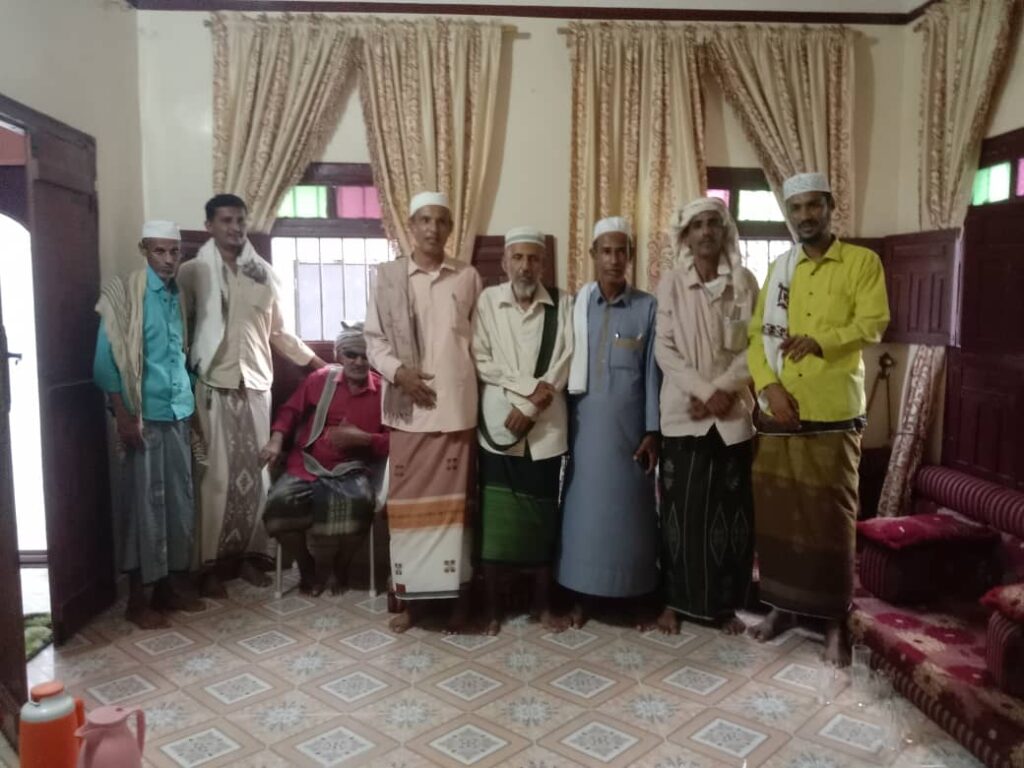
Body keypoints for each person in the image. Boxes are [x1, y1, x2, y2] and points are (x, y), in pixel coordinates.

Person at [747, 172, 890, 665]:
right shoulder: (780, 269)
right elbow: (756, 337)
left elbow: (873, 323)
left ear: (830, 206)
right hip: (779, 413)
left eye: (813, 205)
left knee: (831, 520)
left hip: (832, 415)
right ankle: (782, 608)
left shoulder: (861, 263)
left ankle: (833, 622)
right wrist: (769, 387)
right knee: (779, 516)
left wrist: (821, 341)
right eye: (796, 208)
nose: (805, 216)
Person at [178, 194, 327, 596]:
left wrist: (318, 364)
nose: (235, 228)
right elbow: (181, 332)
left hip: (256, 386)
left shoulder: (265, 275)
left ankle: (249, 557)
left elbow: (279, 332)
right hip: (213, 385)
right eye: (226, 220)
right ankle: (209, 566)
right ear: (209, 226)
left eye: (240, 220)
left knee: (258, 476)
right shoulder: (193, 274)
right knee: (215, 479)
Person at [365, 191, 483, 634]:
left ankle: (458, 604)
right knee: (409, 515)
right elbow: (373, 340)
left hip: (455, 412)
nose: (433, 228)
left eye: (441, 221)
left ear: (450, 228)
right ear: (411, 226)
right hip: (408, 414)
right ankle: (413, 604)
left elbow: (479, 342)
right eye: (425, 220)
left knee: (456, 516)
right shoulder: (389, 278)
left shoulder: (467, 276)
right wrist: (400, 374)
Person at [654, 197, 759, 636]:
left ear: (725, 231)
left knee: (729, 518)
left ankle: (724, 607)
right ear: (685, 235)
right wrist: (703, 392)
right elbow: (665, 349)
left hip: (731, 418)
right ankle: (673, 603)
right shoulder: (671, 284)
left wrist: (723, 392)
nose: (705, 233)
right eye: (696, 225)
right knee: (679, 515)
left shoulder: (744, 283)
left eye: (713, 224)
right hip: (684, 414)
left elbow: (756, 345)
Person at [94, 220, 203, 628]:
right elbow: (105, 362)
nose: (169, 259)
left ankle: (167, 589)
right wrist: (123, 415)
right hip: (143, 417)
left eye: (175, 252)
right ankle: (137, 600)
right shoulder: (126, 295)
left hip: (177, 414)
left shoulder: (176, 296)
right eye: (160, 251)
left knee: (178, 505)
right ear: (144, 250)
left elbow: (180, 356)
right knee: (144, 507)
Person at [557, 216, 661, 629]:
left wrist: (652, 430)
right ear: (593, 255)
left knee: (631, 518)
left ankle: (634, 595)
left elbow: (652, 373)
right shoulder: (576, 307)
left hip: (629, 436)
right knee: (584, 517)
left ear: (630, 256)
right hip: (585, 433)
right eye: (606, 251)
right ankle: (581, 597)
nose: (614, 259)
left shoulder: (647, 307)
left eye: (621, 252)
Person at [473, 226, 574, 635]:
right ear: (504, 262)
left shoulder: (563, 303)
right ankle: (492, 609)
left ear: (543, 264)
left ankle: (543, 606)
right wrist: (526, 388)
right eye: (517, 257)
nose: (525, 266)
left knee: (541, 522)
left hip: (545, 430)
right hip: (499, 427)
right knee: (495, 526)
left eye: (533, 258)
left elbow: (566, 360)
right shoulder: (487, 301)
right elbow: (482, 360)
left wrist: (531, 404)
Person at [260, 323, 388, 596]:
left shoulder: (383, 392)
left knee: (361, 506)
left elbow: (394, 441)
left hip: (353, 470)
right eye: (351, 354)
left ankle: (341, 567)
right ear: (339, 355)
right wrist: (276, 439)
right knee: (278, 505)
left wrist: (363, 439)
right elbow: (289, 411)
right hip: (306, 466)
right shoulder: (321, 379)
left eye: (365, 355)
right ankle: (307, 568)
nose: (358, 362)